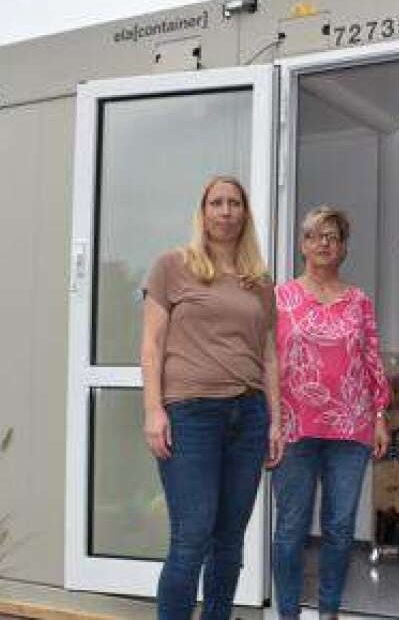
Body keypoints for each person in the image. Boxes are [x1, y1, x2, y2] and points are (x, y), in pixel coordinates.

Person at [140, 175, 283, 620]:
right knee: (191, 536)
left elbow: (269, 356)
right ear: (202, 212)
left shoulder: (259, 282)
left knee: (229, 541)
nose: (225, 211)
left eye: (234, 203)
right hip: (191, 415)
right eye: (216, 203)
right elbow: (151, 344)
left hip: (249, 416)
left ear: (245, 214)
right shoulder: (171, 266)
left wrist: (276, 421)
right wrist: (153, 409)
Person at [272, 206, 391, 620]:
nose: (324, 243)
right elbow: (267, 362)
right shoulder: (280, 298)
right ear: (302, 244)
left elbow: (372, 359)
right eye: (316, 235)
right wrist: (270, 420)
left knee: (340, 527)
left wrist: (380, 416)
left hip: (351, 429)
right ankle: (287, 614)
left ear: (342, 248)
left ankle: (328, 612)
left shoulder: (359, 301)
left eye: (333, 236)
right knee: (291, 528)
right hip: (294, 427)